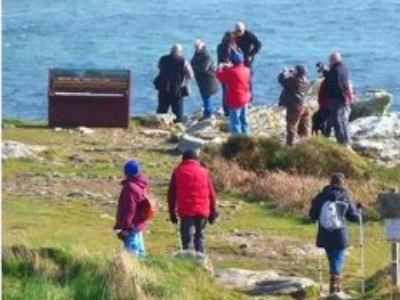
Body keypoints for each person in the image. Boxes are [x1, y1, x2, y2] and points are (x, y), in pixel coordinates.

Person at [309, 173, 362, 294]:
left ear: (330, 182)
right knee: (338, 258)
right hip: (340, 233)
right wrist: (359, 210)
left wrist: (313, 204)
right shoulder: (345, 195)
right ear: (342, 182)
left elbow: (313, 215)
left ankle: (335, 282)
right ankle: (335, 282)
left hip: (324, 232)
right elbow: (353, 217)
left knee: (332, 258)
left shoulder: (321, 195)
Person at [168, 149, 218, 253]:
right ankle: (201, 262)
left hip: (186, 211)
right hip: (202, 210)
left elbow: (171, 194)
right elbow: (212, 194)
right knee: (199, 237)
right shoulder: (204, 171)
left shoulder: (178, 171)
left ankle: (189, 264)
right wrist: (213, 212)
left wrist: (172, 212)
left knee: (187, 240)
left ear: (183, 159)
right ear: (196, 159)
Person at [114, 160, 150, 257]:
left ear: (126, 172)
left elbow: (129, 210)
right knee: (141, 255)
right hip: (138, 225)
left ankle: (132, 271)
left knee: (131, 257)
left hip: (131, 227)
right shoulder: (141, 184)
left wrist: (125, 228)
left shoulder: (130, 187)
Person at [318, 52, 352, 146]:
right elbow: (333, 78)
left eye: (330, 60)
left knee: (336, 121)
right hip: (343, 98)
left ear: (333, 60)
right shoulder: (344, 67)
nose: (329, 62)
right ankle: (346, 140)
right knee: (343, 120)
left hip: (335, 99)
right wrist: (325, 71)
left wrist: (325, 71)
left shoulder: (335, 70)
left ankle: (341, 142)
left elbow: (332, 82)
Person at [154, 44, 194, 123]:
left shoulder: (163, 58)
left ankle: (159, 123)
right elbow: (191, 75)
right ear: (180, 52)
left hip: (164, 87)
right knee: (178, 110)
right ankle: (178, 125)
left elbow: (159, 67)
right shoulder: (183, 61)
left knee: (162, 108)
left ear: (171, 51)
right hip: (177, 89)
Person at [216, 51, 251, 135]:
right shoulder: (247, 70)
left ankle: (237, 141)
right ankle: (246, 136)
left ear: (232, 61)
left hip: (235, 99)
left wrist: (219, 67)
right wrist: (232, 66)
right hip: (245, 97)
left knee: (235, 122)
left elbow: (219, 76)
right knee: (244, 119)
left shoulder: (231, 72)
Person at [278, 65, 311, 146]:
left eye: (295, 70)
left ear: (297, 72)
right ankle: (306, 143)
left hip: (295, 106)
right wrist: (292, 74)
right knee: (304, 126)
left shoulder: (294, 80)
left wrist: (283, 72)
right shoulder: (307, 81)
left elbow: (282, 81)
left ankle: (290, 145)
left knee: (291, 126)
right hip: (303, 104)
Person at [234, 21, 262, 102]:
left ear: (244, 29)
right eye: (237, 31)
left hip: (246, 58)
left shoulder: (249, 35)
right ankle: (239, 96)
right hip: (236, 59)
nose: (238, 33)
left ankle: (249, 98)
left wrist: (251, 54)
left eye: (240, 31)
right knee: (236, 79)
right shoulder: (234, 34)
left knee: (247, 79)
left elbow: (258, 44)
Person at [191, 39, 219, 120]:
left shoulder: (206, 56)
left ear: (202, 46)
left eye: (197, 47)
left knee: (207, 97)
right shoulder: (196, 54)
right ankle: (207, 112)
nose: (196, 49)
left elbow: (203, 68)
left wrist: (192, 67)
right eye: (195, 47)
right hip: (202, 81)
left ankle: (208, 114)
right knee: (205, 97)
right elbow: (192, 63)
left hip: (208, 81)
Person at [217, 31, 238, 116]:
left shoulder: (219, 46)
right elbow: (232, 59)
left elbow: (221, 59)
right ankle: (230, 109)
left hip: (222, 71)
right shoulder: (231, 47)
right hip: (230, 71)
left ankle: (226, 110)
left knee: (224, 91)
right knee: (230, 91)